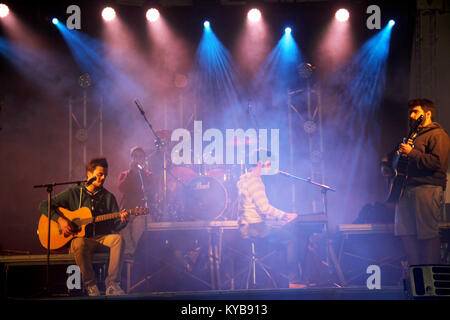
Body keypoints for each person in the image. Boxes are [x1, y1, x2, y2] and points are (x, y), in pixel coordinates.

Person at [39, 157, 130, 296]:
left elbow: (116, 226)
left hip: (102, 239)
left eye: (105, 174)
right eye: (100, 174)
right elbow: (44, 205)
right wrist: (61, 221)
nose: (103, 178)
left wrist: (123, 220)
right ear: (89, 174)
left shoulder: (108, 197)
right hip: (83, 240)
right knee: (78, 242)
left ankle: (112, 285)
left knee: (118, 239)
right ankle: (91, 286)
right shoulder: (74, 192)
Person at [384, 99, 449, 267]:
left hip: (427, 188)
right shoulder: (411, 136)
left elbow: (437, 163)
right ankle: (415, 276)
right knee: (407, 235)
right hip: (406, 189)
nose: (411, 115)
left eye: (415, 112)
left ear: (427, 114)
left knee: (428, 235)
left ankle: (430, 279)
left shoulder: (438, 134)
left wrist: (411, 152)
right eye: (410, 112)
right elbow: (395, 163)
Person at [236, 152, 301, 287]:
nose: (272, 167)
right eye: (270, 164)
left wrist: (276, 219)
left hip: (246, 226)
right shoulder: (255, 181)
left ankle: (279, 278)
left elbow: (255, 208)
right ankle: (293, 281)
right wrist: (285, 215)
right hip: (256, 227)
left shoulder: (244, 179)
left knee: (280, 234)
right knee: (292, 237)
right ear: (260, 163)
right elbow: (264, 208)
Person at [118, 146, 155, 257]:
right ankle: (130, 251)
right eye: (135, 157)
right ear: (131, 159)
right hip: (128, 210)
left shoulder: (148, 175)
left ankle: (138, 253)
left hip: (142, 212)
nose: (138, 159)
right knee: (121, 223)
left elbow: (151, 191)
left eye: (140, 157)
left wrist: (141, 173)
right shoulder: (124, 174)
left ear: (144, 159)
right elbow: (121, 188)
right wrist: (130, 172)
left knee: (138, 224)